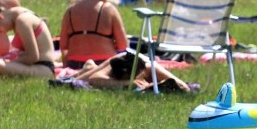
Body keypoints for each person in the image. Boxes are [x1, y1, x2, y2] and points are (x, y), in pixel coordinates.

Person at [59, 0, 128, 70]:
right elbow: (123, 45)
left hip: (75, 64)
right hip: (104, 64)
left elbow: (63, 46)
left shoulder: (70, 11)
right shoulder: (109, 10)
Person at [56, 50, 193, 92]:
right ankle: (89, 67)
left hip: (134, 61)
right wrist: (128, 83)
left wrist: (152, 86)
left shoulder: (151, 68)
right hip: (121, 58)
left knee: (83, 78)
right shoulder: (119, 65)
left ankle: (89, 66)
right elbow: (94, 80)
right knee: (80, 80)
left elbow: (184, 87)